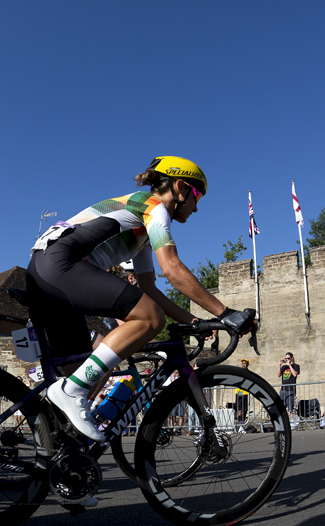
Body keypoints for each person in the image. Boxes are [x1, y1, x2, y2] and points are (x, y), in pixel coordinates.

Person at [26, 156, 252, 444]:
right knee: (149, 319)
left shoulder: (139, 230)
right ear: (180, 188)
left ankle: (63, 474)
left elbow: (151, 290)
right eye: (197, 196)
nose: (196, 207)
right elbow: (171, 268)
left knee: (77, 395)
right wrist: (225, 313)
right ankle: (71, 392)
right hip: (60, 265)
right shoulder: (153, 207)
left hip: (46, 271)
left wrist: (194, 321)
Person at [234, 359, 250, 425]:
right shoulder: (239, 372)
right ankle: (239, 423)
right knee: (239, 410)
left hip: (245, 393)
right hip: (239, 393)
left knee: (245, 410)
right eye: (242, 363)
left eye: (245, 363)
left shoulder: (249, 373)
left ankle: (242, 423)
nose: (243, 365)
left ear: (247, 365)